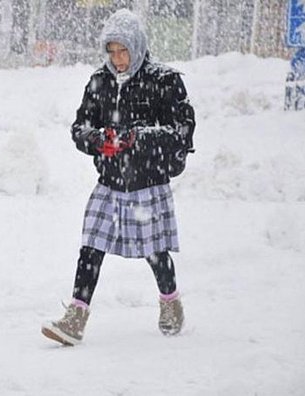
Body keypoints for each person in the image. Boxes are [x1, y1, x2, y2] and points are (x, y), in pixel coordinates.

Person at [41, 9, 195, 346]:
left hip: (148, 182)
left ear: (138, 47)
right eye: (111, 51)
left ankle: (171, 302)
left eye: (123, 50)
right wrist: (97, 140)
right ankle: (76, 317)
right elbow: (80, 127)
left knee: (155, 251)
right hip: (110, 182)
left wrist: (138, 137)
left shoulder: (165, 80)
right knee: (91, 247)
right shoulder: (99, 81)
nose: (117, 59)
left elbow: (182, 131)